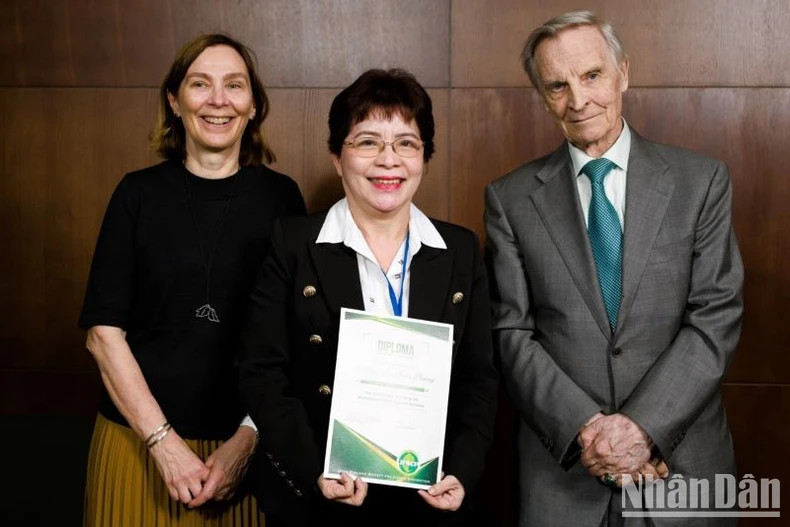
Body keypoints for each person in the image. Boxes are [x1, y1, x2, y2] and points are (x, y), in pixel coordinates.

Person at [484, 10, 744, 526]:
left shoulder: (701, 181)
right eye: (557, 85)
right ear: (542, 95)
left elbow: (715, 317)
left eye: (592, 75)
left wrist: (640, 427)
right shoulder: (509, 198)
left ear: (623, 72)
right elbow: (512, 331)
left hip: (682, 468)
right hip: (563, 477)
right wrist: (588, 430)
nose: (578, 100)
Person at [238, 68, 498, 526]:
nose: (388, 160)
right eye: (368, 141)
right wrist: (316, 469)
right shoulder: (293, 243)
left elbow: (479, 380)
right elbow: (262, 372)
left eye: (406, 143)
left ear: (424, 157)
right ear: (338, 157)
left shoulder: (458, 250)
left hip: (430, 502)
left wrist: (462, 470)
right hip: (321, 501)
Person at [79, 34, 305, 526]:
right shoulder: (135, 195)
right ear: (174, 102)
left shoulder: (282, 199)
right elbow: (103, 335)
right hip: (139, 445)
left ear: (253, 106)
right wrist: (164, 446)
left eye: (234, 85)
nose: (218, 100)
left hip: (245, 452)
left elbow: (295, 335)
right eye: (200, 84)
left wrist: (247, 441)